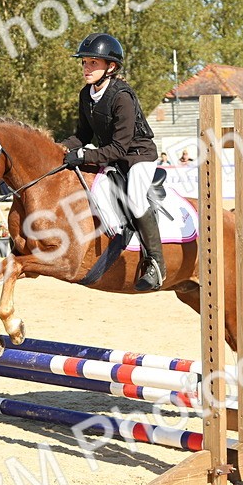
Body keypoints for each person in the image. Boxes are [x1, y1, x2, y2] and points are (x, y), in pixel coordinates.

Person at [61, 32, 165, 292]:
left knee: (136, 199)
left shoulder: (122, 97)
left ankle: (156, 264)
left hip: (138, 155)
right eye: (84, 62)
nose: (86, 68)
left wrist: (84, 155)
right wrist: (59, 149)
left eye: (93, 63)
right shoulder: (86, 94)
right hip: (113, 156)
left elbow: (119, 147)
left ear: (111, 67)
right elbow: (83, 136)